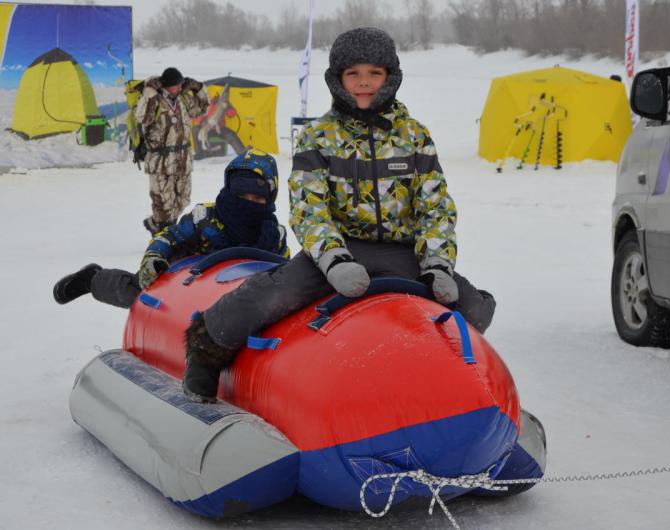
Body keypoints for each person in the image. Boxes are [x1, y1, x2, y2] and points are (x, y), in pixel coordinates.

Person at [182, 27, 496, 404]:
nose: (364, 83)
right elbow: (308, 206)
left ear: (390, 78)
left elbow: (436, 204)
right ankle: (204, 354)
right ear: (338, 79)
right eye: (354, 74)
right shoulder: (319, 136)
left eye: (374, 73)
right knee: (273, 294)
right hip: (339, 251)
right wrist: (333, 261)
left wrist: (438, 263)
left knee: (474, 308)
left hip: (403, 252)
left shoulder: (414, 135)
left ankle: (447, 380)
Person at [53, 149, 290, 312]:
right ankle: (93, 280)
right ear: (229, 190)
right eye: (241, 195)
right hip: (185, 284)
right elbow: (168, 236)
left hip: (241, 297)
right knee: (136, 292)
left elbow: (282, 271)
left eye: (257, 197)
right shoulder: (205, 218)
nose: (248, 202)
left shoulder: (273, 234)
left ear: (270, 197)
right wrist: (154, 258)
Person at [137, 67, 210, 236]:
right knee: (163, 202)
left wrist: (199, 88)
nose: (180, 87)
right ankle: (162, 236)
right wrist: (148, 91)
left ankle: (155, 224)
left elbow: (202, 108)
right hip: (161, 159)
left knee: (182, 200)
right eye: (177, 85)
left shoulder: (183, 99)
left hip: (183, 158)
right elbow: (142, 117)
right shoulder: (154, 99)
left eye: (181, 84)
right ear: (168, 85)